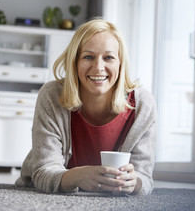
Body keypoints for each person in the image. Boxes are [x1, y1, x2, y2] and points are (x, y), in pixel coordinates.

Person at [15, 18, 157, 196]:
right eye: (88, 56)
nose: (98, 67)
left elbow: (144, 177)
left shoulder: (143, 104)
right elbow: (44, 171)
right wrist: (76, 176)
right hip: (40, 193)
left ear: (121, 64)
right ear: (74, 62)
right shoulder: (52, 95)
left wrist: (134, 183)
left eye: (109, 57)